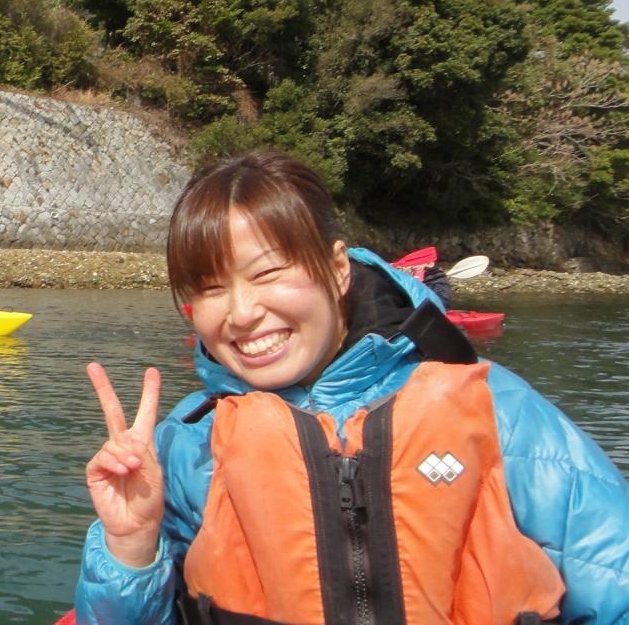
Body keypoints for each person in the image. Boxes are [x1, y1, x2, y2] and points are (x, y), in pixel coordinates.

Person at [74, 151, 629, 623]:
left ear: (338, 268)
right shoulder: (188, 444)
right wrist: (130, 548)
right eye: (211, 288)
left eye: (267, 274)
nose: (241, 313)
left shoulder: (497, 409)